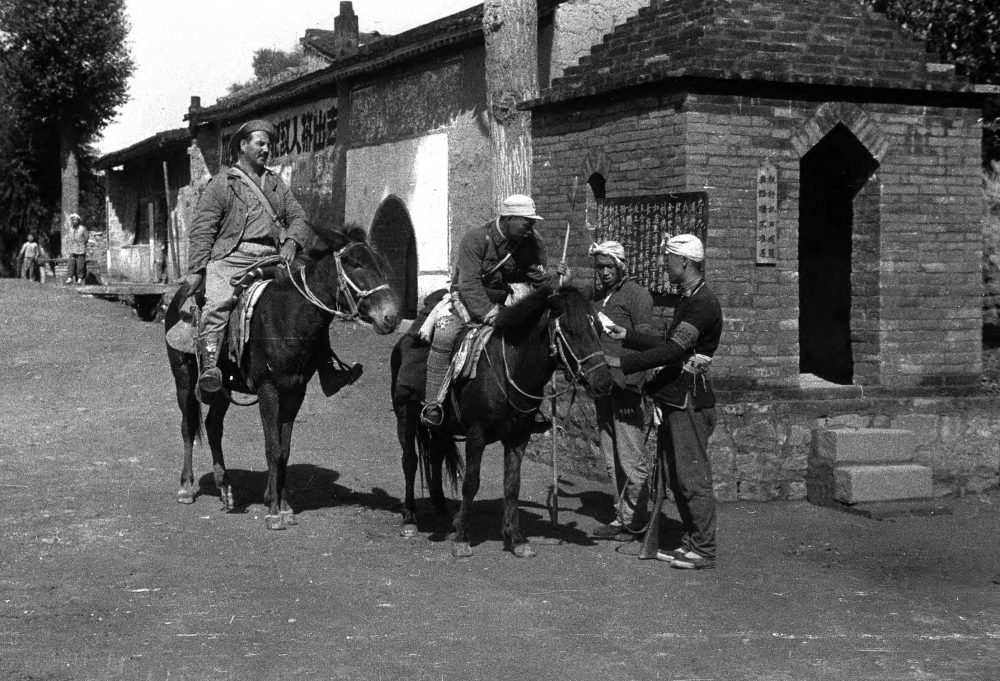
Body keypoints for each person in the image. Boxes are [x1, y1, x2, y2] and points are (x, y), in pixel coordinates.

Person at [184, 119, 327, 402]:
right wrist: (198, 269)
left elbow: (298, 217)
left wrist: (291, 242)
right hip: (233, 257)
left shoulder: (275, 184)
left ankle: (326, 365)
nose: (266, 150)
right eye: (260, 144)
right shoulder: (222, 184)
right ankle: (211, 368)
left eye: (269, 145)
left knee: (311, 297)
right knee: (218, 301)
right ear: (243, 145)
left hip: (274, 257)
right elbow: (202, 229)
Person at [608, 234, 722, 570]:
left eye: (668, 259)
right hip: (677, 398)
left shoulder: (702, 303)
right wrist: (628, 336)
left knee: (691, 476)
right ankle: (691, 543)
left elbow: (673, 350)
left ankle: (704, 548)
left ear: (684, 262)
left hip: (690, 400)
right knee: (676, 476)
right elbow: (669, 341)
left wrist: (623, 362)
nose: (664, 265)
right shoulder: (690, 298)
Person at [420, 194, 563, 427]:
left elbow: (538, 279)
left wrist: (556, 282)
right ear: (507, 219)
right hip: (466, 302)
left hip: (501, 302)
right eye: (526, 221)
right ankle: (433, 404)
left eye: (532, 222)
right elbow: (469, 284)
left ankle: (527, 407)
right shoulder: (475, 239)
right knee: (445, 335)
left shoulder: (527, 243)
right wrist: (490, 314)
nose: (531, 227)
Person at [583, 241, 655, 541]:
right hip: (603, 385)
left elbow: (647, 342)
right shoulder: (596, 296)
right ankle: (622, 515)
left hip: (627, 384)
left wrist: (635, 378)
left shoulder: (638, 295)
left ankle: (638, 520)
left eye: (609, 266)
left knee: (629, 452)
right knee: (611, 453)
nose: (603, 273)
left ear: (621, 265)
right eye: (599, 267)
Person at [65, 214, 89, 284]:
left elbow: (86, 238)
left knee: (80, 265)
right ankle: (70, 277)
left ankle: (80, 278)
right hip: (72, 250)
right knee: (71, 264)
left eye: (76, 220)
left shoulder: (83, 228)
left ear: (78, 221)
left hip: (81, 250)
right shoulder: (71, 229)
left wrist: (81, 242)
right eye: (73, 220)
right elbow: (69, 238)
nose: (74, 222)